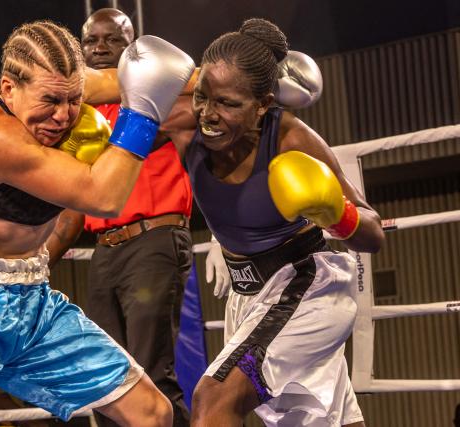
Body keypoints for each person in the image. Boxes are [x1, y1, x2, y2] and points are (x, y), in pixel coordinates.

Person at [0, 20, 195, 427]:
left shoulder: (61, 86)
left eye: (74, 99)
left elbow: (145, 79)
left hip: (33, 298)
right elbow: (104, 197)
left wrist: (234, 82)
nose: (63, 116)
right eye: (50, 101)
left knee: (152, 411)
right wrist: (144, 113)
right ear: (8, 89)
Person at [150, 18, 384, 426]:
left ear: (263, 105)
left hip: (305, 286)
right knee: (316, 421)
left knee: (213, 398)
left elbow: (373, 233)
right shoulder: (185, 125)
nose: (209, 114)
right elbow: (113, 144)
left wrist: (335, 212)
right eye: (203, 97)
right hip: (248, 297)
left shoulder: (290, 139)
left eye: (228, 104)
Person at [45, 9, 194, 427]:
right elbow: (75, 206)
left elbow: (200, 109)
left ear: (131, 44)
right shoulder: (77, 117)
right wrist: (35, 264)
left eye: (111, 39)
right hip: (105, 253)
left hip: (153, 242)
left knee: (152, 373)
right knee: (107, 381)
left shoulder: (156, 96)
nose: (99, 48)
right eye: (91, 41)